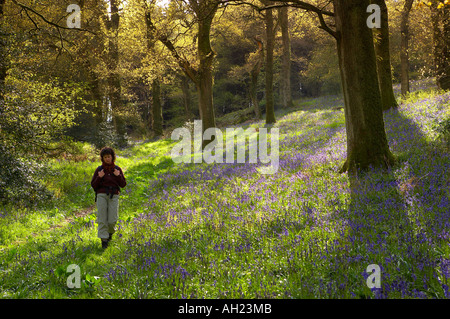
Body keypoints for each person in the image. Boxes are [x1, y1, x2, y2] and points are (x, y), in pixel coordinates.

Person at [91, 147, 127, 249]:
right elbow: (93, 185)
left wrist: (118, 176)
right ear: (102, 158)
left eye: (109, 157)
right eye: (105, 157)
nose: (107, 159)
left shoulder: (117, 169)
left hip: (114, 195)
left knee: (112, 220)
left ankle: (110, 233)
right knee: (102, 218)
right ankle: (104, 240)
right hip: (101, 195)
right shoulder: (99, 170)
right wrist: (99, 177)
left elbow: (123, 184)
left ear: (112, 157)